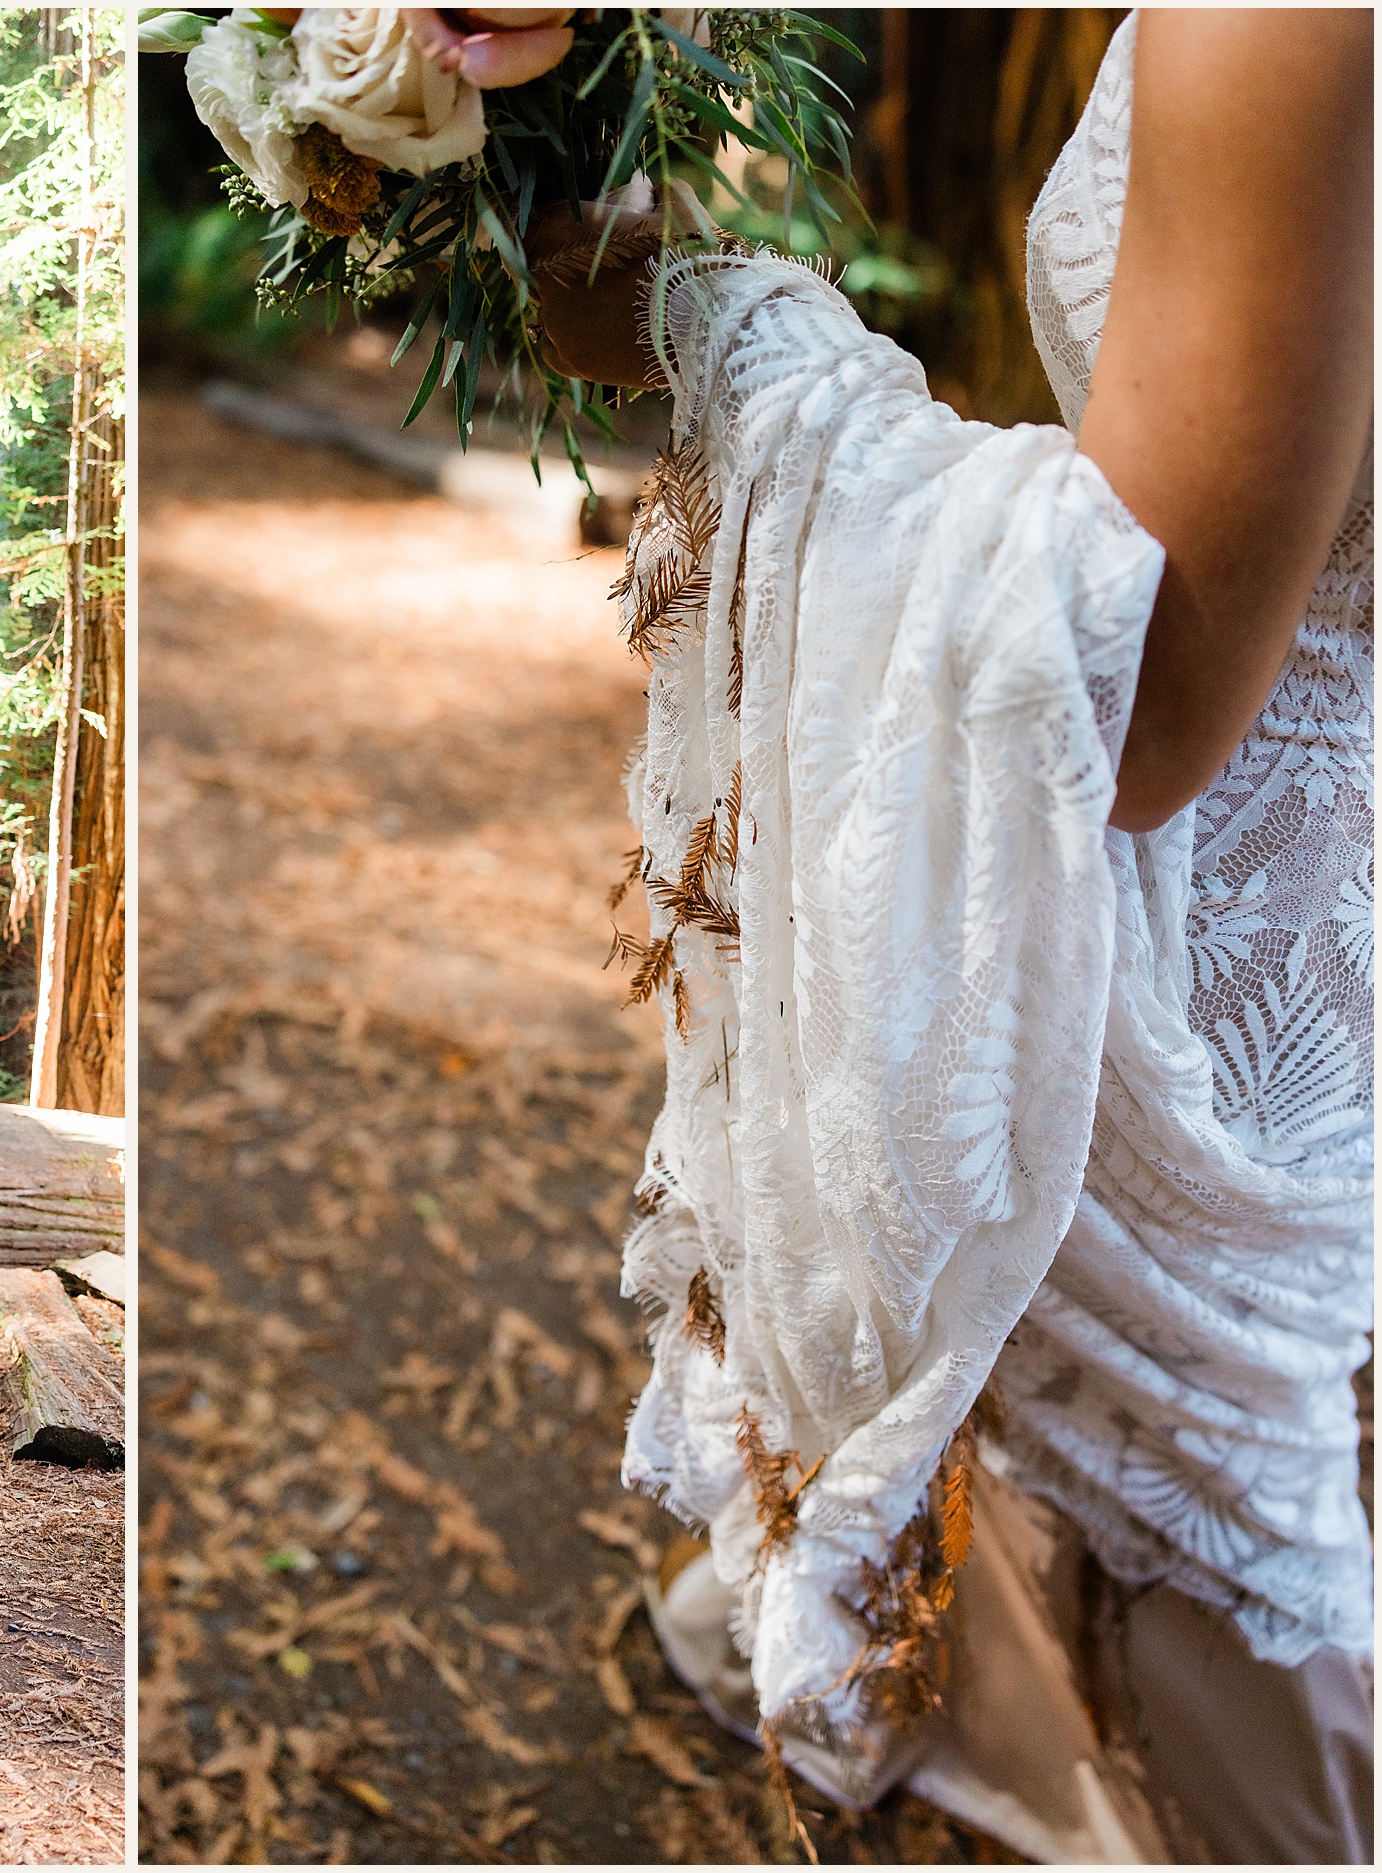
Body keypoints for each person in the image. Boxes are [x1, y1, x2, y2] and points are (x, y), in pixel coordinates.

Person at [471, 8, 1370, 1861]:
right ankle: (876, 1622)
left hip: (1236, 919)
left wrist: (721, 329)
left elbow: (1137, 703)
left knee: (1212, 1493)